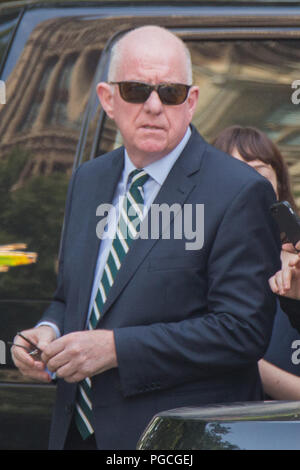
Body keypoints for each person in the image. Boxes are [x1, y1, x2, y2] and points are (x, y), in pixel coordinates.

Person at [11, 26, 281, 450]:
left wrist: (117, 348)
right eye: (137, 90)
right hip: (74, 431)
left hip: (171, 440)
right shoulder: (88, 179)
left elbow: (242, 330)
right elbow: (71, 296)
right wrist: (46, 332)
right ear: (107, 99)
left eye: (170, 92)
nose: (154, 106)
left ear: (191, 102)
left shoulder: (239, 191)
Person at [213, 125, 300, 400]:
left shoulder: (294, 258)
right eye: (235, 173)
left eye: (258, 172)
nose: (247, 185)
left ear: (279, 185)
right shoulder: (192, 259)